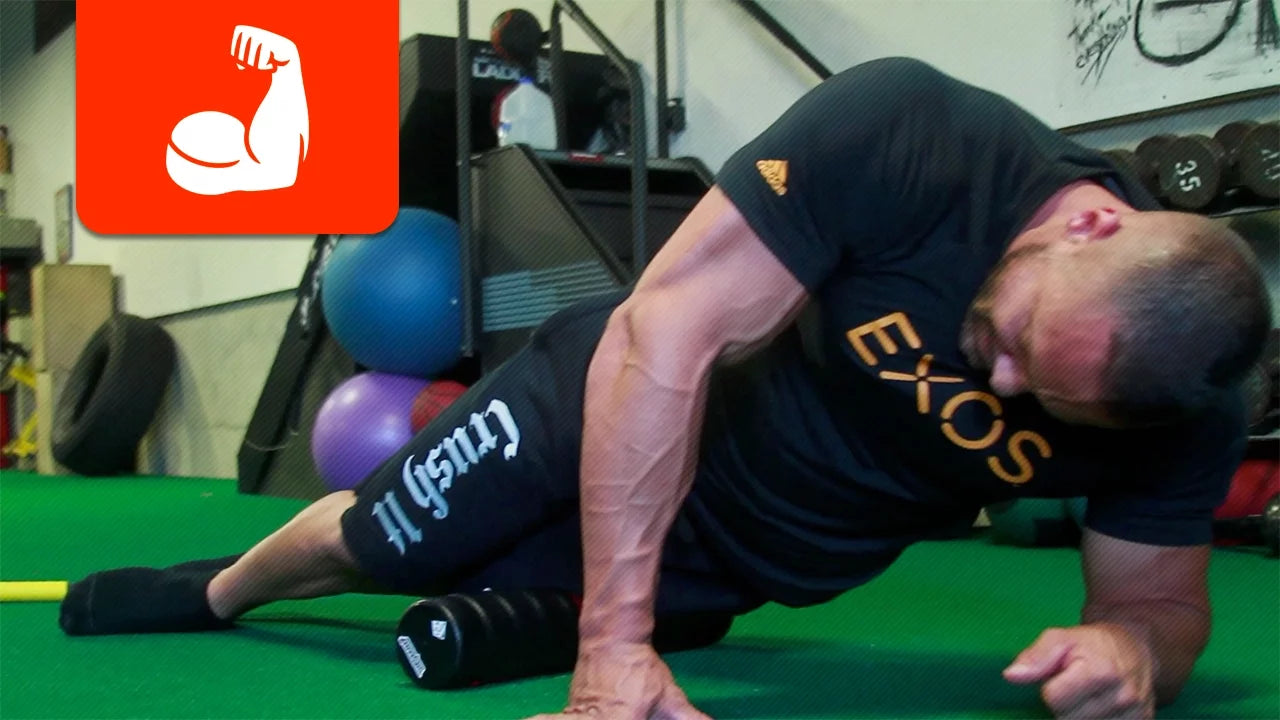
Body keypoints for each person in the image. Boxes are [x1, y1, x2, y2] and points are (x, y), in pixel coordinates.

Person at [59, 57, 1272, 720]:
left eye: (1040, 397)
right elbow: (665, 337)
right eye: (1009, 340)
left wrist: (1128, 648)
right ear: (1088, 222)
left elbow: (1160, 605)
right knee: (382, 546)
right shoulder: (914, 139)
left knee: (481, 592)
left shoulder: (1183, 408)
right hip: (606, 401)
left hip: (744, 560)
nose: (994, 382)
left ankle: (640, 603)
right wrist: (612, 649)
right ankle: (217, 588)